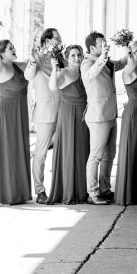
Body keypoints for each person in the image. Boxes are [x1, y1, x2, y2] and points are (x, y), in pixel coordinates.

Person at [81, 31, 137, 205]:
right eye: (101, 44)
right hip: (98, 116)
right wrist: (103, 57)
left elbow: (121, 63)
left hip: (111, 114)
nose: (105, 46)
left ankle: (105, 189)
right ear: (92, 48)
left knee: (109, 155)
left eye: (105, 43)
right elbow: (92, 73)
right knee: (96, 156)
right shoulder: (87, 64)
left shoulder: (107, 62)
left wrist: (131, 49)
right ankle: (92, 193)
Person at [0, 38, 33, 205]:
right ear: (2, 53)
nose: (14, 49)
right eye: (10, 48)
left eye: (14, 46)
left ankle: (16, 192)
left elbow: (33, 62)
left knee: (15, 150)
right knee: (5, 151)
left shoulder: (18, 65)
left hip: (17, 113)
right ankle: (1, 194)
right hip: (2, 114)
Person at [48, 44, 90, 205]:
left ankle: (84, 189)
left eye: (78, 55)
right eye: (72, 55)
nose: (77, 58)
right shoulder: (64, 72)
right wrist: (54, 69)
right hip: (69, 115)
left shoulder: (84, 71)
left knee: (83, 150)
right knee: (70, 149)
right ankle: (69, 190)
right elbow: (53, 86)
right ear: (66, 58)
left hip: (84, 115)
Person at [26, 28, 63, 204]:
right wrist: (33, 61)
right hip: (46, 113)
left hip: (64, 110)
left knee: (64, 151)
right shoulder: (38, 59)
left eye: (59, 38)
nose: (59, 40)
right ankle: (40, 191)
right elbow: (28, 75)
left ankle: (62, 187)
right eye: (56, 38)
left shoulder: (61, 59)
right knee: (41, 154)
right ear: (46, 41)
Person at [114, 40, 137, 205]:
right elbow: (128, 63)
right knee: (133, 147)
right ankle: (130, 192)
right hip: (134, 113)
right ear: (134, 53)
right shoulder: (130, 69)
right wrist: (128, 52)